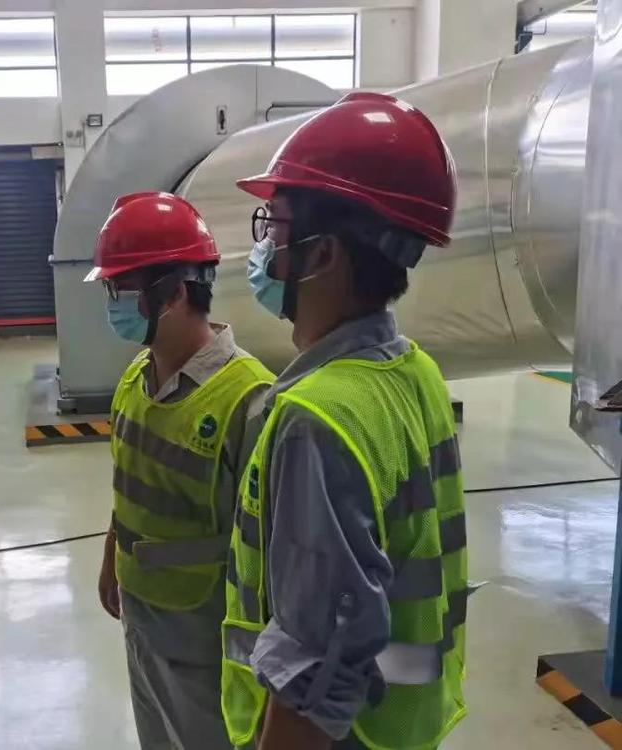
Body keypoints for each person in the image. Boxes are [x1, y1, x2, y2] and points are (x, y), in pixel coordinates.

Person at [223, 92, 468, 750]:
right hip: (400, 725)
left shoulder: (318, 419)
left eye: (275, 226)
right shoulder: (416, 372)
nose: (264, 248)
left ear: (325, 254)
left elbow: (314, 664)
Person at [88, 191, 274, 750]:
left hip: (204, 636)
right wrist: (112, 559)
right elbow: (129, 484)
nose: (112, 304)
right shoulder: (135, 379)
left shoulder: (249, 400)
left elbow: (271, 552)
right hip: (142, 615)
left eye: (121, 289)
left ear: (173, 293)